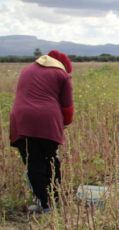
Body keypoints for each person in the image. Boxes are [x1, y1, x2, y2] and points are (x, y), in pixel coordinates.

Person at [10, 50, 74, 213]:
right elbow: (67, 106)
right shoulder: (62, 75)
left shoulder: (27, 69)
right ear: (63, 66)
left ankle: (43, 204)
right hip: (49, 119)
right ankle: (56, 199)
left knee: (33, 161)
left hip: (22, 119)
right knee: (51, 159)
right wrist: (65, 124)